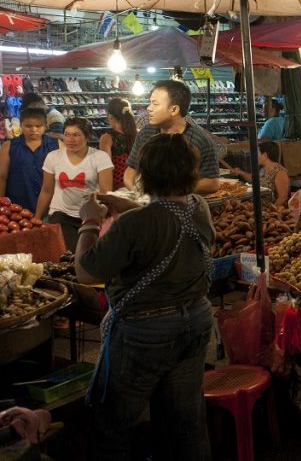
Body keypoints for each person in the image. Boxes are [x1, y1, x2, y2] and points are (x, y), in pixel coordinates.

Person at [76, 133, 215, 460]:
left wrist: (89, 221)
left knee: (113, 426)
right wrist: (133, 206)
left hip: (145, 333)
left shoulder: (135, 224)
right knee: (186, 424)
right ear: (191, 173)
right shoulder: (200, 208)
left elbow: (86, 273)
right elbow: (169, 212)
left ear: (145, 176)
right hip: (195, 322)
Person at [124, 81, 220, 195]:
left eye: (155, 104)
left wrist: (172, 191)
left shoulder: (200, 140)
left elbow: (212, 183)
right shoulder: (146, 133)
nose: (149, 108)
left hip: (184, 207)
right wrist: (139, 193)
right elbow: (131, 170)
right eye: (150, 103)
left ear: (174, 109)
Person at [36, 118, 113, 251]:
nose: (70, 139)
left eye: (76, 135)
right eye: (67, 134)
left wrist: (105, 218)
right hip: (61, 213)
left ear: (87, 136)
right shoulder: (53, 157)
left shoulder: (100, 157)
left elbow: (105, 192)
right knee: (73, 252)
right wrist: (37, 218)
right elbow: (46, 190)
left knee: (90, 253)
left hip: (90, 215)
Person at [0, 107, 60, 214]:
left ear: (45, 126)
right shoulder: (8, 147)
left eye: (38, 126)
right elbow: (2, 177)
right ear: (21, 125)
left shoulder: (57, 145)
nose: (33, 129)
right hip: (17, 206)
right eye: (28, 126)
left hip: (50, 206)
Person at [230, 141, 290, 207]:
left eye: (257, 153)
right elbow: (254, 178)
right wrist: (240, 172)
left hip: (271, 211)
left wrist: (269, 212)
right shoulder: (263, 169)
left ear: (265, 155)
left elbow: (283, 198)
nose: (255, 156)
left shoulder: (280, 172)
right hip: (260, 208)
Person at [99, 98, 137, 191]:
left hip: (118, 187)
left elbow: (106, 168)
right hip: (137, 184)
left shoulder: (107, 138)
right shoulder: (139, 134)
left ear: (111, 116)